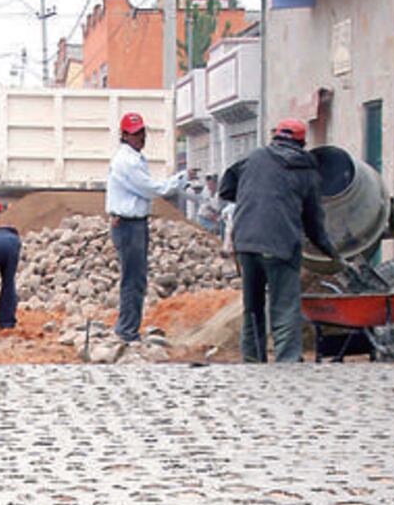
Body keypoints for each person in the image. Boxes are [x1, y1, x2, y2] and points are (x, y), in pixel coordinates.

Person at [219, 118, 344, 363]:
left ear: (275, 137)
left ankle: (252, 359)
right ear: (302, 142)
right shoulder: (306, 170)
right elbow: (313, 222)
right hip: (280, 244)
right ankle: (287, 361)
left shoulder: (252, 159)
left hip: (246, 243)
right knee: (284, 306)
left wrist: (252, 194)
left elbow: (225, 189)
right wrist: (331, 252)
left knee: (252, 306)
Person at [105, 112, 188, 343]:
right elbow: (151, 189)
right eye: (135, 134)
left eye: (142, 132)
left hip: (132, 224)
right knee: (133, 279)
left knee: (135, 278)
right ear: (124, 135)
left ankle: (128, 328)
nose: (140, 137)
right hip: (128, 225)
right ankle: (127, 330)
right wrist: (179, 181)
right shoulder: (127, 161)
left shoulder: (133, 158)